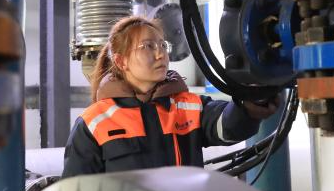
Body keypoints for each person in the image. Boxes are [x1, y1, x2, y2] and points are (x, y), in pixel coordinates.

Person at [62, 15, 277, 177]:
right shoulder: (94, 123)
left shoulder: (187, 106)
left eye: (163, 45)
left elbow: (226, 125)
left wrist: (249, 106)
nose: (160, 54)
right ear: (121, 61)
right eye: (148, 46)